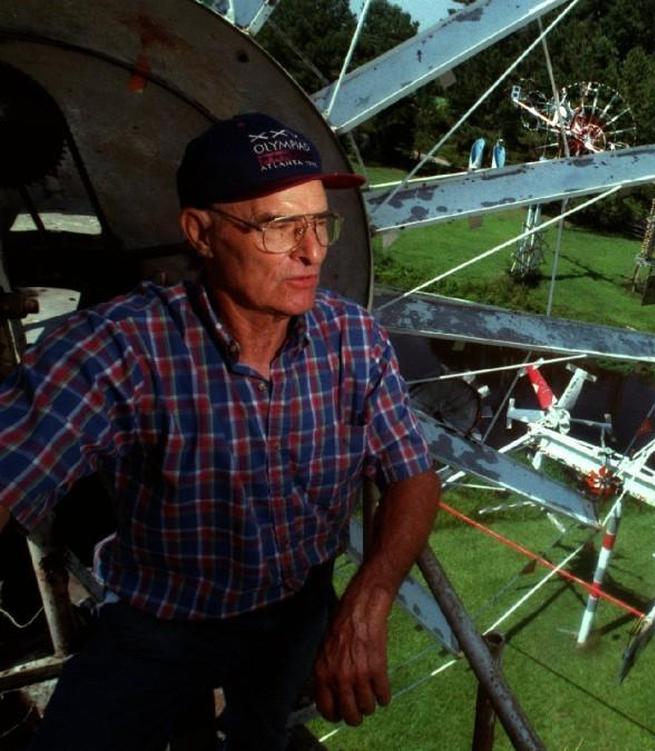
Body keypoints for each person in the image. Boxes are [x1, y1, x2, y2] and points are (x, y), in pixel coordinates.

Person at [0, 112, 441, 749]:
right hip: (165, 619)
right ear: (201, 234)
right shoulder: (122, 350)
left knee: (260, 736)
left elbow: (413, 477)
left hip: (296, 609)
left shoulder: (354, 339)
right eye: (280, 226)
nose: (312, 251)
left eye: (320, 222)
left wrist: (368, 600)